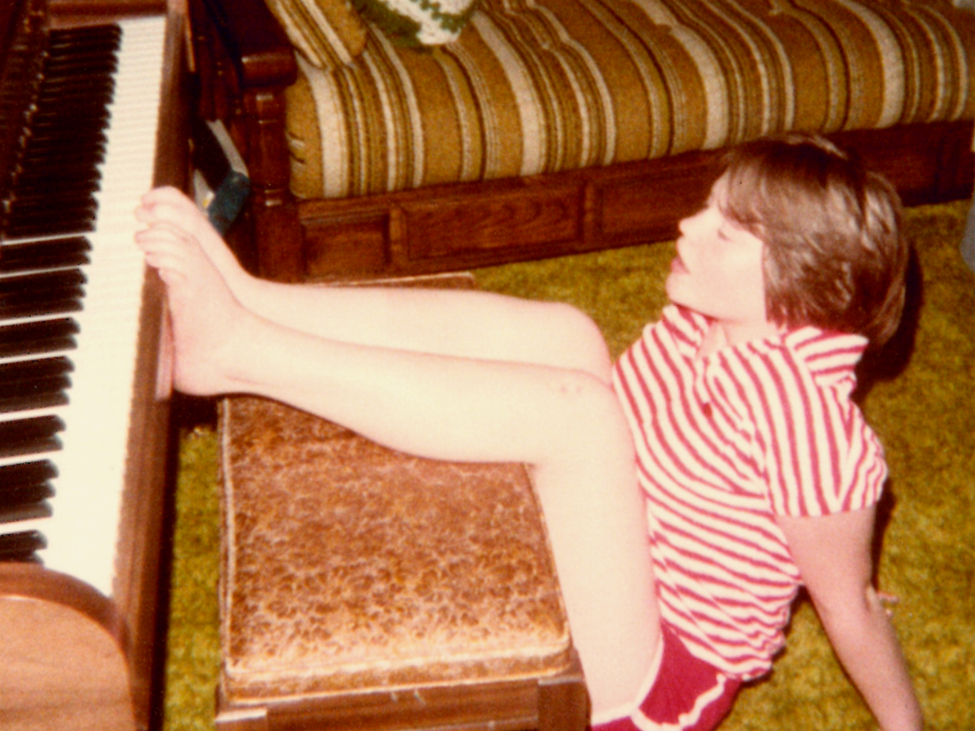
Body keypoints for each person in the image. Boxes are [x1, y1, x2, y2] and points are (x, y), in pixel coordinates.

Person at [135, 134, 923, 731]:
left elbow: (848, 606)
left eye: (725, 231)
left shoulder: (815, 430)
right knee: (572, 336)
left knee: (578, 414)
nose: (687, 225)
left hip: (654, 673)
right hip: (623, 550)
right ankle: (256, 299)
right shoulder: (706, 321)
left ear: (798, 278)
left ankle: (237, 352)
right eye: (707, 205)